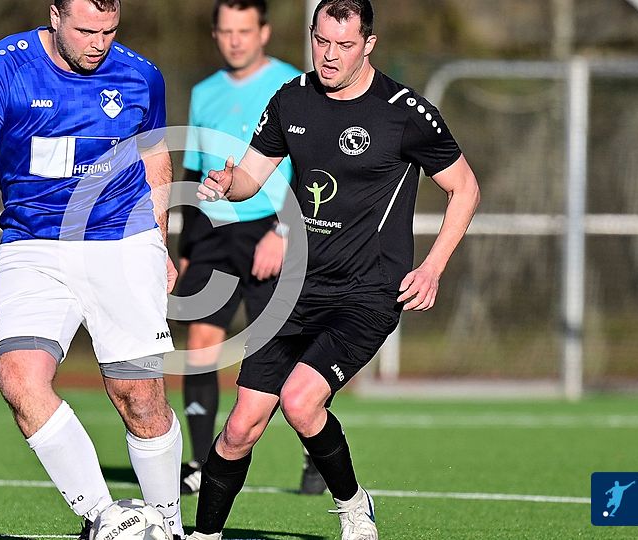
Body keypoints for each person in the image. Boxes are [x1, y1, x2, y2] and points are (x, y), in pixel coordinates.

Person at [189, 1, 481, 539]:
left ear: (368, 44)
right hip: (295, 289)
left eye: (344, 45)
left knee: (300, 402)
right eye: (321, 41)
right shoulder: (292, 98)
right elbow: (251, 177)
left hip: (366, 294)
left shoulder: (403, 112)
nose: (329, 55)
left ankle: (353, 507)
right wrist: (226, 184)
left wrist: (432, 267)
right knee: (240, 428)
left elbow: (465, 189)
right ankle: (203, 535)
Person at [0, 1, 184, 538]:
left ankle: (167, 524)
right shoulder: (1, 70)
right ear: (54, 14)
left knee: (138, 398)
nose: (99, 43)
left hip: (121, 241)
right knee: (19, 380)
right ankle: (106, 519)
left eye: (109, 31)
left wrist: (159, 243)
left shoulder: (141, 75)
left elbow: (155, 158)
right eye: (86, 29)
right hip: (33, 246)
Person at [175, 0, 326, 497]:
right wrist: (187, 248)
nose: (235, 40)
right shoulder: (203, 93)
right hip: (213, 235)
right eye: (226, 31)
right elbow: (194, 173)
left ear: (263, 32)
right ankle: (200, 462)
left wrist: (283, 232)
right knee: (201, 346)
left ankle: (315, 451)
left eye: (244, 30)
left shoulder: (295, 85)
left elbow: (312, 169)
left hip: (272, 230)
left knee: (281, 353)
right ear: (215, 35)